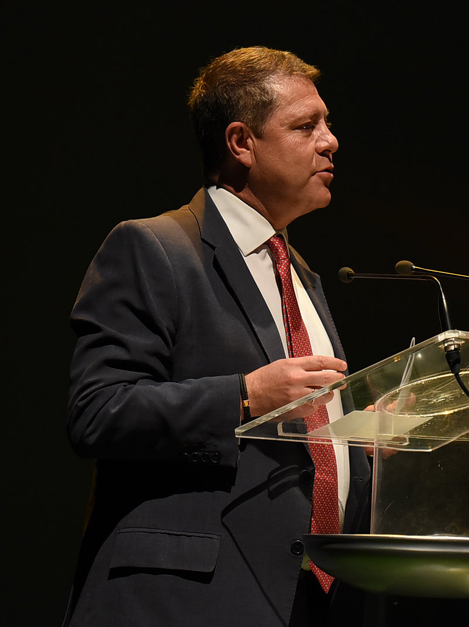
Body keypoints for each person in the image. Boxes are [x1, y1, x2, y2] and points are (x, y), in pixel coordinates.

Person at [64, 47, 371, 626]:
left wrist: (371, 439)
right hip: (184, 599)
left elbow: (310, 450)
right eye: (306, 126)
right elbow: (95, 412)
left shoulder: (301, 273)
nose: (330, 141)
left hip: (304, 601)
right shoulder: (153, 247)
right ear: (240, 143)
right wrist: (244, 396)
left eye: (327, 125)